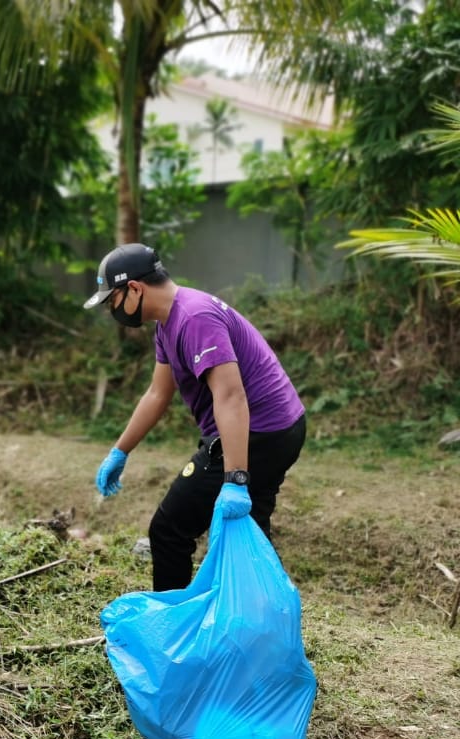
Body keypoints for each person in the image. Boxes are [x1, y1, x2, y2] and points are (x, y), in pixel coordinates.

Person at [84, 243, 306, 591]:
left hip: (259, 433)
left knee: (169, 529)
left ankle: (173, 620)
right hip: (281, 428)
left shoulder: (194, 317)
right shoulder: (169, 322)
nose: (113, 310)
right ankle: (258, 615)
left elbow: (230, 396)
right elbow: (158, 393)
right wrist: (120, 450)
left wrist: (235, 479)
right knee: (249, 530)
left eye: (112, 301)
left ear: (135, 289)